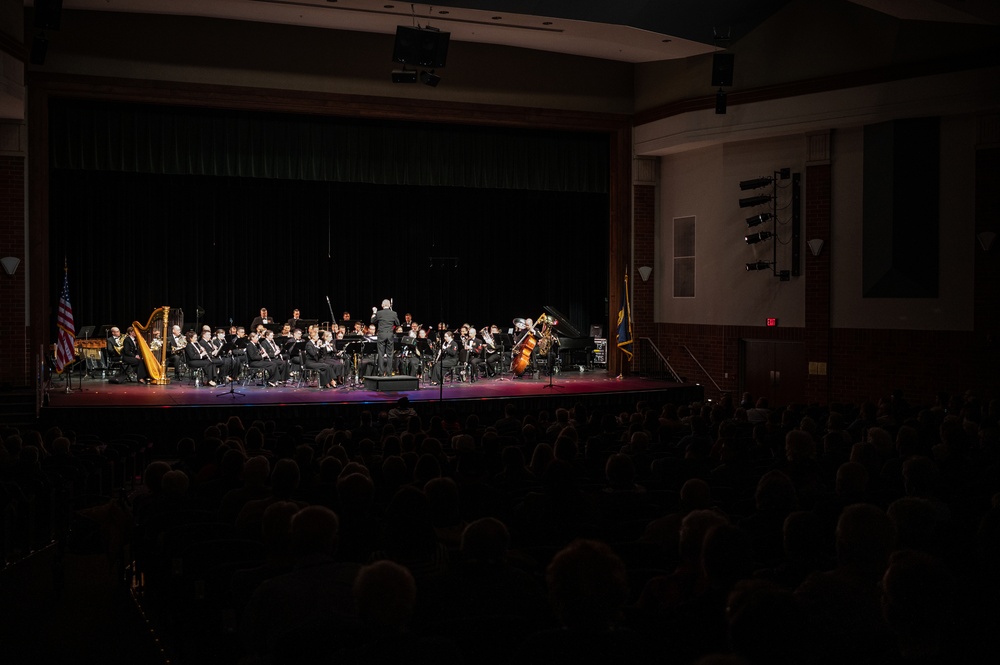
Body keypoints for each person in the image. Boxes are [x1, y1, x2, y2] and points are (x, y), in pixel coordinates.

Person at [371, 299, 400, 377]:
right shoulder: (393, 313)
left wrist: (374, 312)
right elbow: (398, 323)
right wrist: (393, 314)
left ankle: (381, 373)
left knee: (381, 354)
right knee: (390, 354)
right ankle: (389, 373)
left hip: (381, 335)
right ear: (389, 305)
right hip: (390, 335)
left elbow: (372, 321)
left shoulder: (379, 313)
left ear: (382, 305)